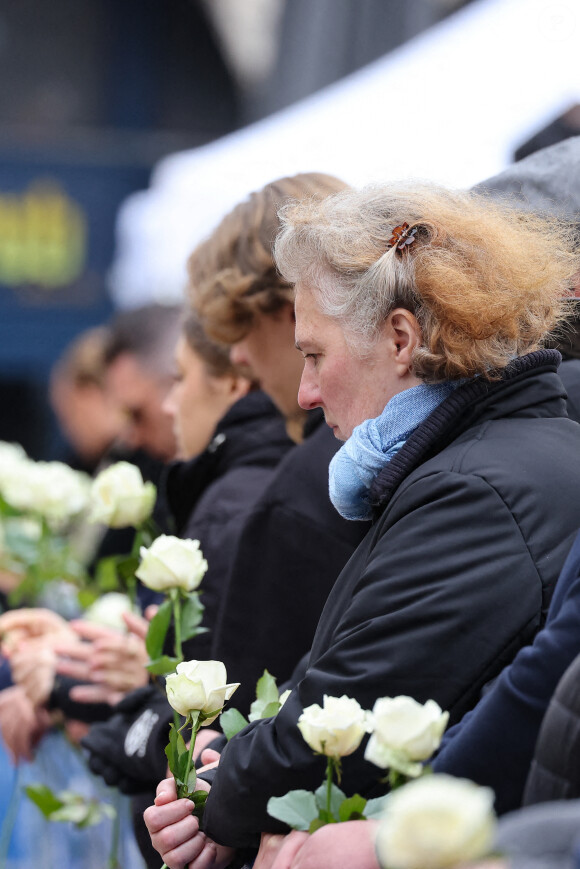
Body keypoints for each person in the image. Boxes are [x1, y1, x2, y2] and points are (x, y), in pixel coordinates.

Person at [145, 180, 580, 867]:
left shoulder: (474, 489)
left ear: (400, 339)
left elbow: (350, 703)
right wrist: (224, 774)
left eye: (315, 355)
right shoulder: (475, 465)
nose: (304, 394)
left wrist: (217, 792)